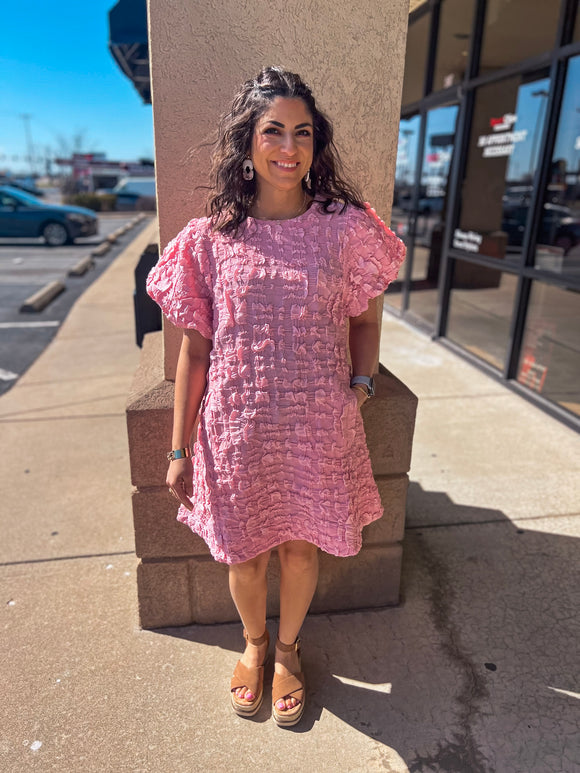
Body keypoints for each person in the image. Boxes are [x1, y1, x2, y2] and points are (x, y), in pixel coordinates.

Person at [146, 66, 405, 727]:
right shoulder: (212, 238)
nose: (288, 148)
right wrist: (178, 448)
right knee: (245, 550)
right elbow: (193, 352)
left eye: (303, 133)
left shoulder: (345, 228)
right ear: (248, 142)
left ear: (316, 145)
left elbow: (366, 320)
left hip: (318, 427)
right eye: (273, 131)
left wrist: (360, 389)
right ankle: (254, 644)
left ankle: (288, 649)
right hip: (237, 432)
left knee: (299, 547)